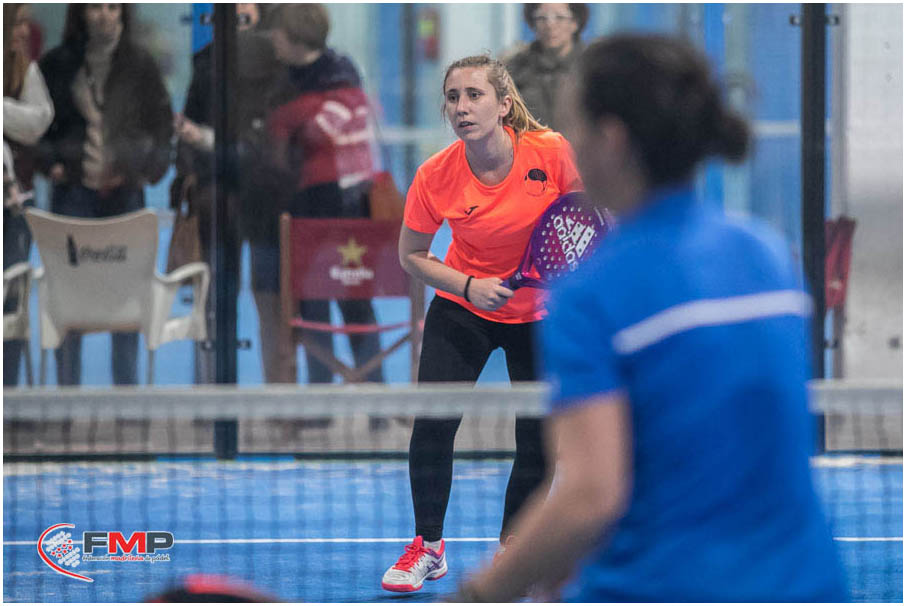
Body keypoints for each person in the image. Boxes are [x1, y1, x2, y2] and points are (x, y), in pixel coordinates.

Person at [454, 34, 848, 602]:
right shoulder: (767, 255)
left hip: (662, 588)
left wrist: (476, 595)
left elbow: (589, 496)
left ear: (611, 140)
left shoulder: (591, 294)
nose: (568, 144)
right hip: (806, 584)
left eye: (575, 126)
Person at [381, 54, 582, 593]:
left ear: (504, 105)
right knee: (433, 423)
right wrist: (469, 286)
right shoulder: (435, 175)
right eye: (453, 97)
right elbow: (411, 255)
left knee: (538, 434)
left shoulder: (551, 152)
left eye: (474, 95)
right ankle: (428, 547)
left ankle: (515, 549)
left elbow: (588, 217)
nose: (462, 107)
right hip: (465, 305)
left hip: (540, 312)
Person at [37, 3, 173, 386]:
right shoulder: (57, 64)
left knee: (126, 297)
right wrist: (52, 163)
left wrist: (144, 170)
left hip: (124, 192)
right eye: (95, 6)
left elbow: (161, 127)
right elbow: (39, 126)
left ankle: (126, 396)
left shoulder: (140, 64)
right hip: (73, 192)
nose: (104, 15)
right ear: (80, 12)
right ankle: (66, 395)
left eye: (113, 6)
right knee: (69, 296)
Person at [265, 3, 385, 385]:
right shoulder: (282, 77)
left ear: (294, 36)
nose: (272, 39)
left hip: (346, 206)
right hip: (303, 207)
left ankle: (377, 394)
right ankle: (321, 398)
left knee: (355, 303)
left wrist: (289, 116)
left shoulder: (339, 73)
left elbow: (320, 130)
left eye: (277, 31)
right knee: (312, 307)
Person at [173, 3, 282, 384]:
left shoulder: (276, 60)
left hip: (266, 199)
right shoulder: (207, 62)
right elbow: (188, 129)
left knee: (271, 297)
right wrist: (191, 173)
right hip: (217, 198)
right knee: (217, 295)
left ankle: (280, 395)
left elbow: (270, 140)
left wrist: (208, 142)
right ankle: (213, 391)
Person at [3, 2, 54, 386]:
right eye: (17, 22)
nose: (25, 31)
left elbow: (38, 122)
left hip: (14, 207)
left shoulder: (26, 70)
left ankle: (9, 395)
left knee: (12, 305)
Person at [504, 3, 588, 132]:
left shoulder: (591, 66)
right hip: (531, 142)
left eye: (559, 17)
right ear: (532, 23)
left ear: (575, 23)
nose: (550, 25)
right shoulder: (515, 67)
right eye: (542, 18)